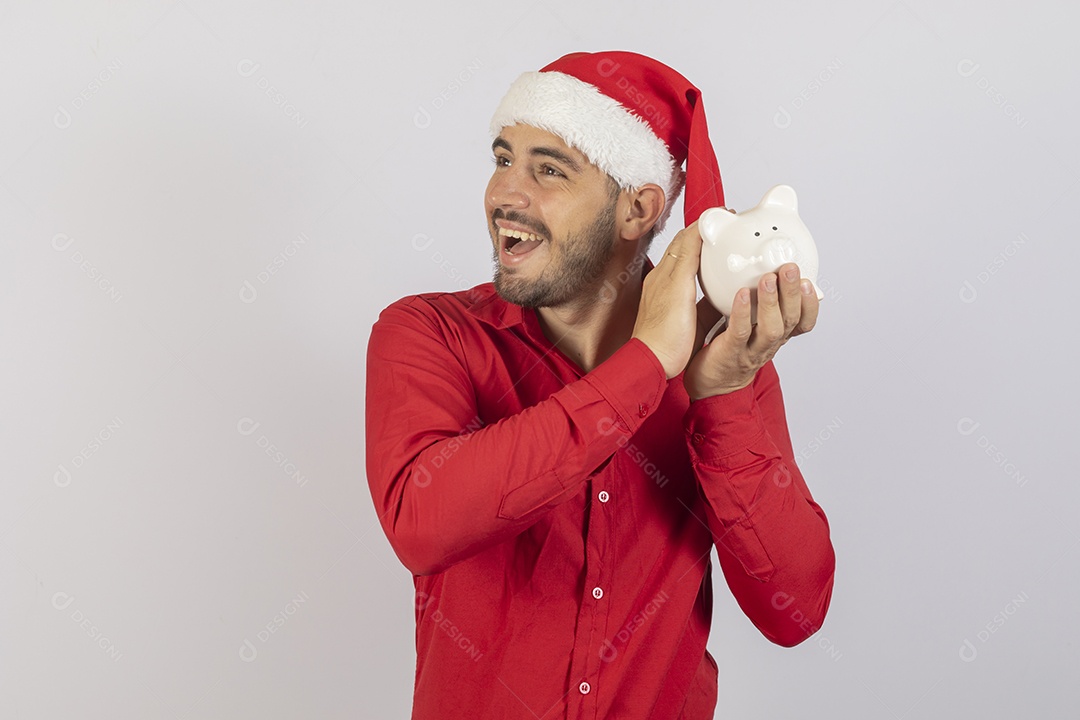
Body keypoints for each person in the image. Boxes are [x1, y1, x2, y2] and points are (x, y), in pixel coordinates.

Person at [366, 50, 835, 719]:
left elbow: (796, 610)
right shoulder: (429, 334)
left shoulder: (723, 363)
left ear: (637, 209)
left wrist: (725, 395)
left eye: (548, 170)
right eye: (502, 160)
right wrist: (645, 362)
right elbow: (424, 522)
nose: (505, 194)